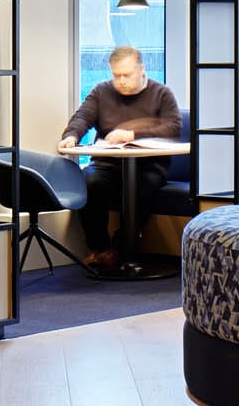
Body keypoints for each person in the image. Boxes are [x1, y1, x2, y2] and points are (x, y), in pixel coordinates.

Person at [58, 46, 182, 270]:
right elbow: (82, 117)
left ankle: (122, 246)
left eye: (127, 74)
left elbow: (173, 127)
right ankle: (101, 249)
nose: (122, 81)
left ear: (141, 69)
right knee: (88, 182)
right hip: (108, 164)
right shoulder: (101, 92)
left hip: (149, 166)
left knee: (142, 188)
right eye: (117, 75)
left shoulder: (161, 93)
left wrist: (133, 135)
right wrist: (71, 136)